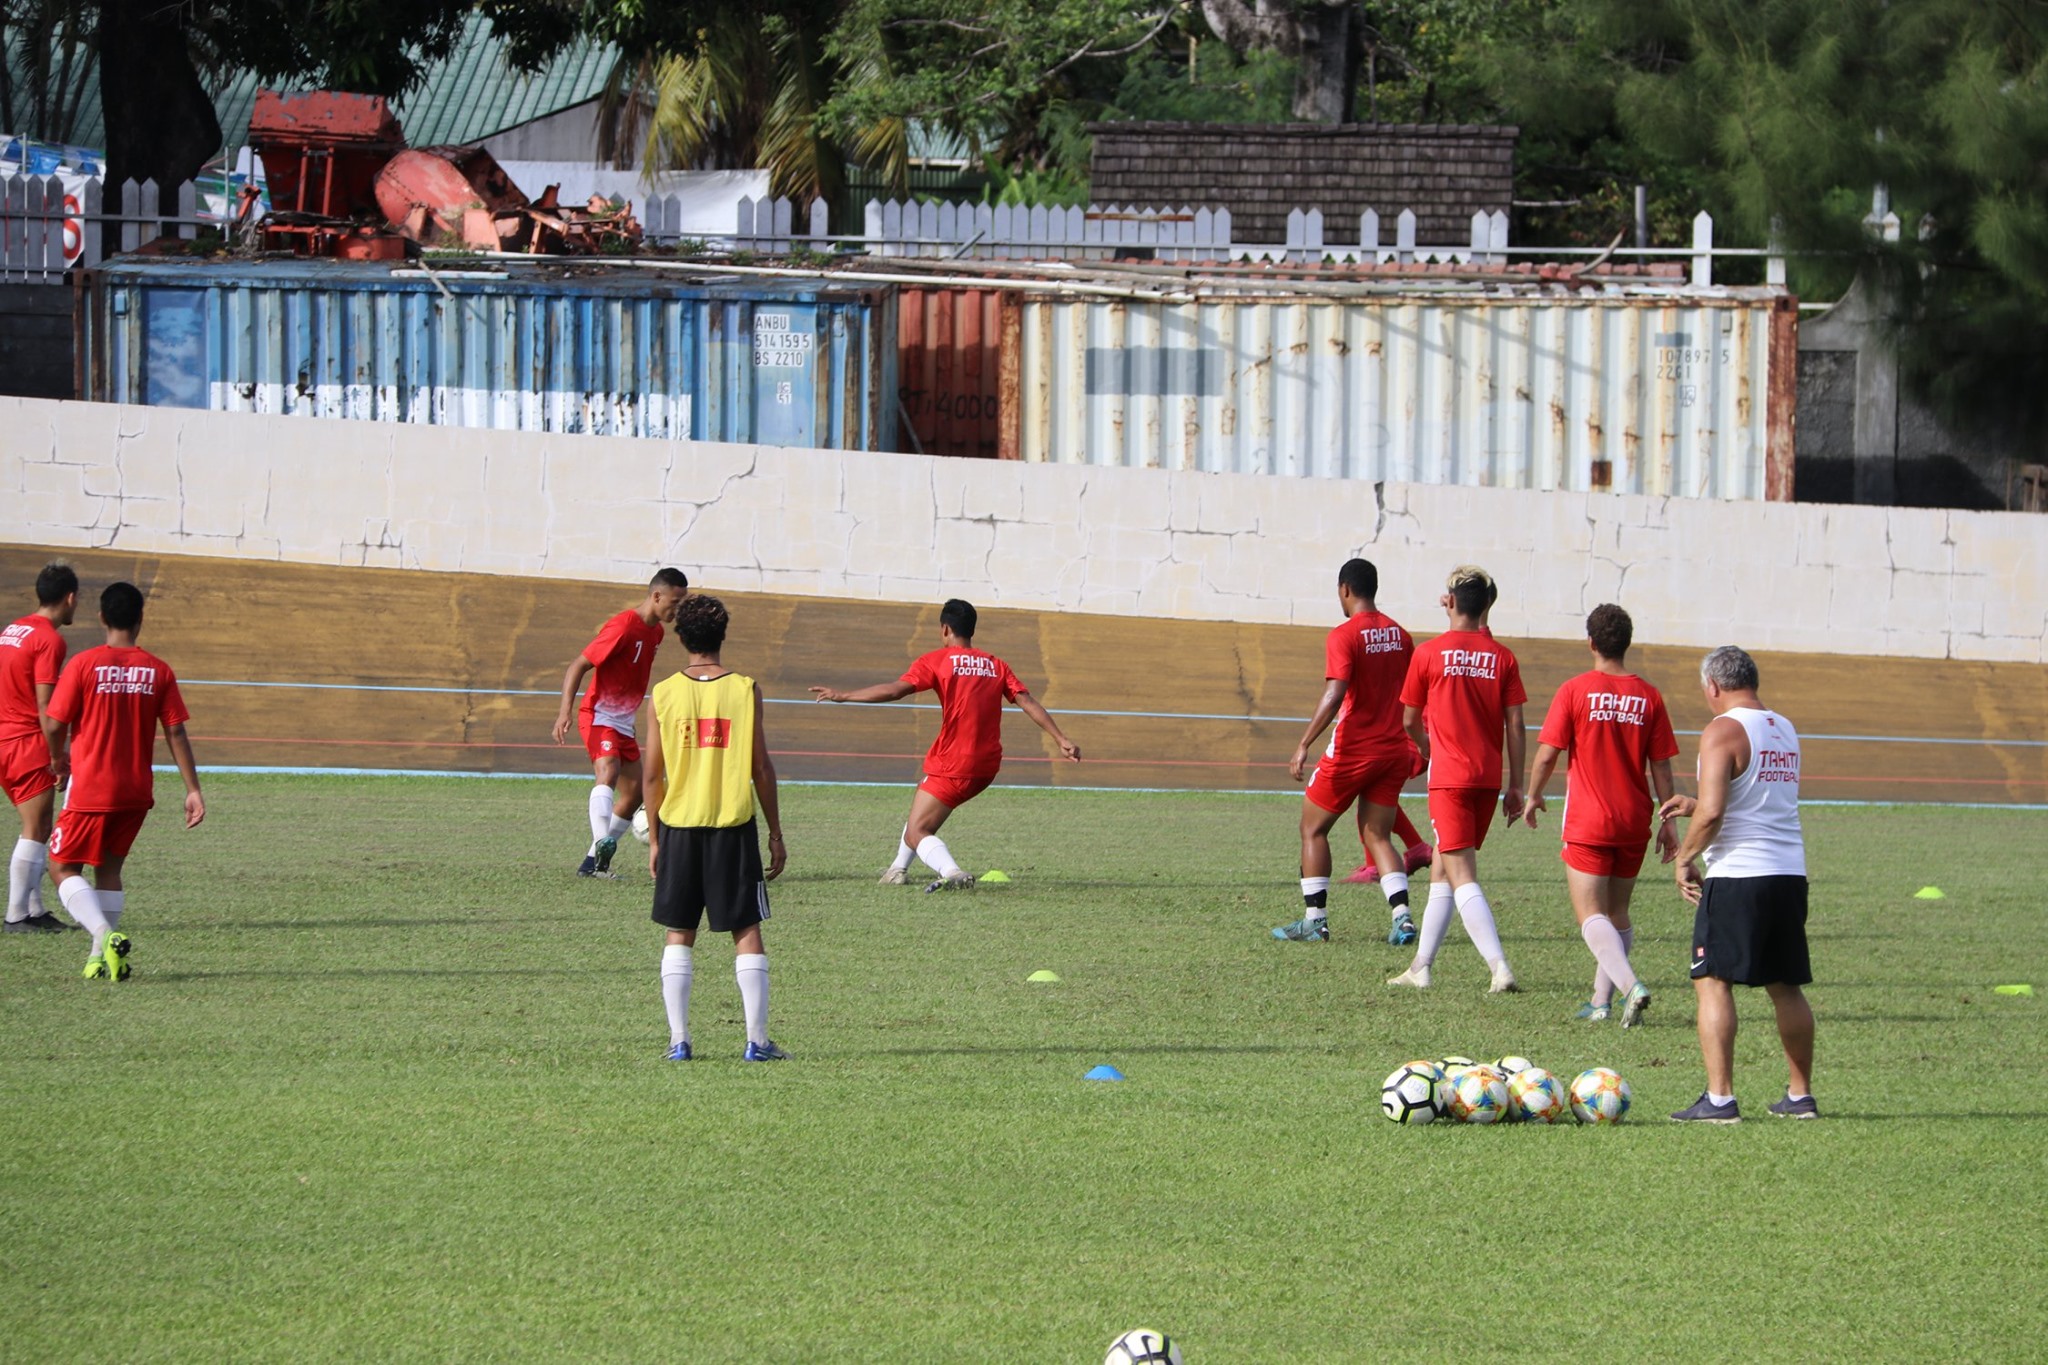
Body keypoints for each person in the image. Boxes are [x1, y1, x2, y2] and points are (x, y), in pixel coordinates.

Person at [810, 598, 1080, 890]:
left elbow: (895, 690)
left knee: (917, 831)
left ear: (945, 629)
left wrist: (844, 696)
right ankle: (897, 870)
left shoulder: (937, 661)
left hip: (954, 761)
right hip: (986, 766)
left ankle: (951, 872)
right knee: (923, 800)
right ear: (971, 630)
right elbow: (1026, 701)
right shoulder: (996, 665)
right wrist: (1061, 739)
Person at [1659, 645, 1816, 1122]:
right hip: (1788, 873)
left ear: (1713, 686)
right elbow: (1754, 796)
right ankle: (1799, 1095)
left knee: (1712, 980)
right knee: (1785, 985)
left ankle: (1720, 1099)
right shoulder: (1784, 728)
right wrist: (1694, 803)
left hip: (1739, 875)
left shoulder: (1721, 730)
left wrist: (1684, 857)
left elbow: (1715, 813)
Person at [642, 595, 788, 1061]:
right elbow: (760, 767)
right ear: (722, 636)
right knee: (745, 929)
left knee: (678, 931)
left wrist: (657, 839)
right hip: (732, 826)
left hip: (680, 827)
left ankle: (679, 1041)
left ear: (680, 637)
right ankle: (757, 1042)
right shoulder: (746, 689)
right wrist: (775, 832)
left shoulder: (663, 694)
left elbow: (650, 775)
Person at [1522, 604, 1681, 1026]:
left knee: (1590, 914)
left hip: (1590, 821)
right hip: (1634, 820)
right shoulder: (1648, 695)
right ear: (1627, 644)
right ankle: (1600, 1001)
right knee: (1617, 913)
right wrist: (1669, 821)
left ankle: (1631, 987)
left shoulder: (1575, 690)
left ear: (1590, 642)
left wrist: (1533, 796)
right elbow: (1662, 766)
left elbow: (1547, 755)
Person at [43, 582, 205, 981]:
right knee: (109, 871)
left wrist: (57, 759)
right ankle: (99, 959)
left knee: (61, 868)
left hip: (91, 788)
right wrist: (193, 789)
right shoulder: (158, 670)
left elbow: (53, 723)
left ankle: (104, 934)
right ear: (140, 620)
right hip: (135, 792)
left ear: (101, 617)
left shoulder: (82, 665)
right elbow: (176, 732)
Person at [1387, 565, 1525, 994]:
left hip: (1449, 779)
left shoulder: (1428, 654)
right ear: (1487, 605)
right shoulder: (1503, 657)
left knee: (1462, 873)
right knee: (1443, 872)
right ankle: (1421, 967)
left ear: (1450, 601)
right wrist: (1516, 784)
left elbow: (1409, 720)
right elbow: (1516, 726)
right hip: (1486, 779)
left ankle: (1499, 967)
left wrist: (1428, 748)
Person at [1272, 558, 1422, 945]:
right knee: (1378, 835)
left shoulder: (1343, 635)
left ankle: (1315, 921)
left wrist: (1304, 743)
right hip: (1392, 751)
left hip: (1355, 750)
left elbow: (1335, 693)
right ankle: (1403, 919)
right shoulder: (1402, 635)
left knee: (1312, 828)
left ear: (1345, 590)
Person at [552, 569, 689, 878]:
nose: (678, 609)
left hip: (624, 721)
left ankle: (593, 864)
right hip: (599, 714)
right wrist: (565, 712)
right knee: (608, 770)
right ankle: (602, 841)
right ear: (657, 596)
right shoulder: (624, 626)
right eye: (676, 602)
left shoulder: (656, 633)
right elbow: (579, 665)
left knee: (637, 792)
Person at [3, 562, 78, 933]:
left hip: (4, 739)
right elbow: (47, 709)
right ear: (70, 598)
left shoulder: (12, 630)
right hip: (24, 741)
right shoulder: (49, 639)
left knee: (36, 826)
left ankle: (33, 910)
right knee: (36, 828)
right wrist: (57, 756)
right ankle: (16, 915)